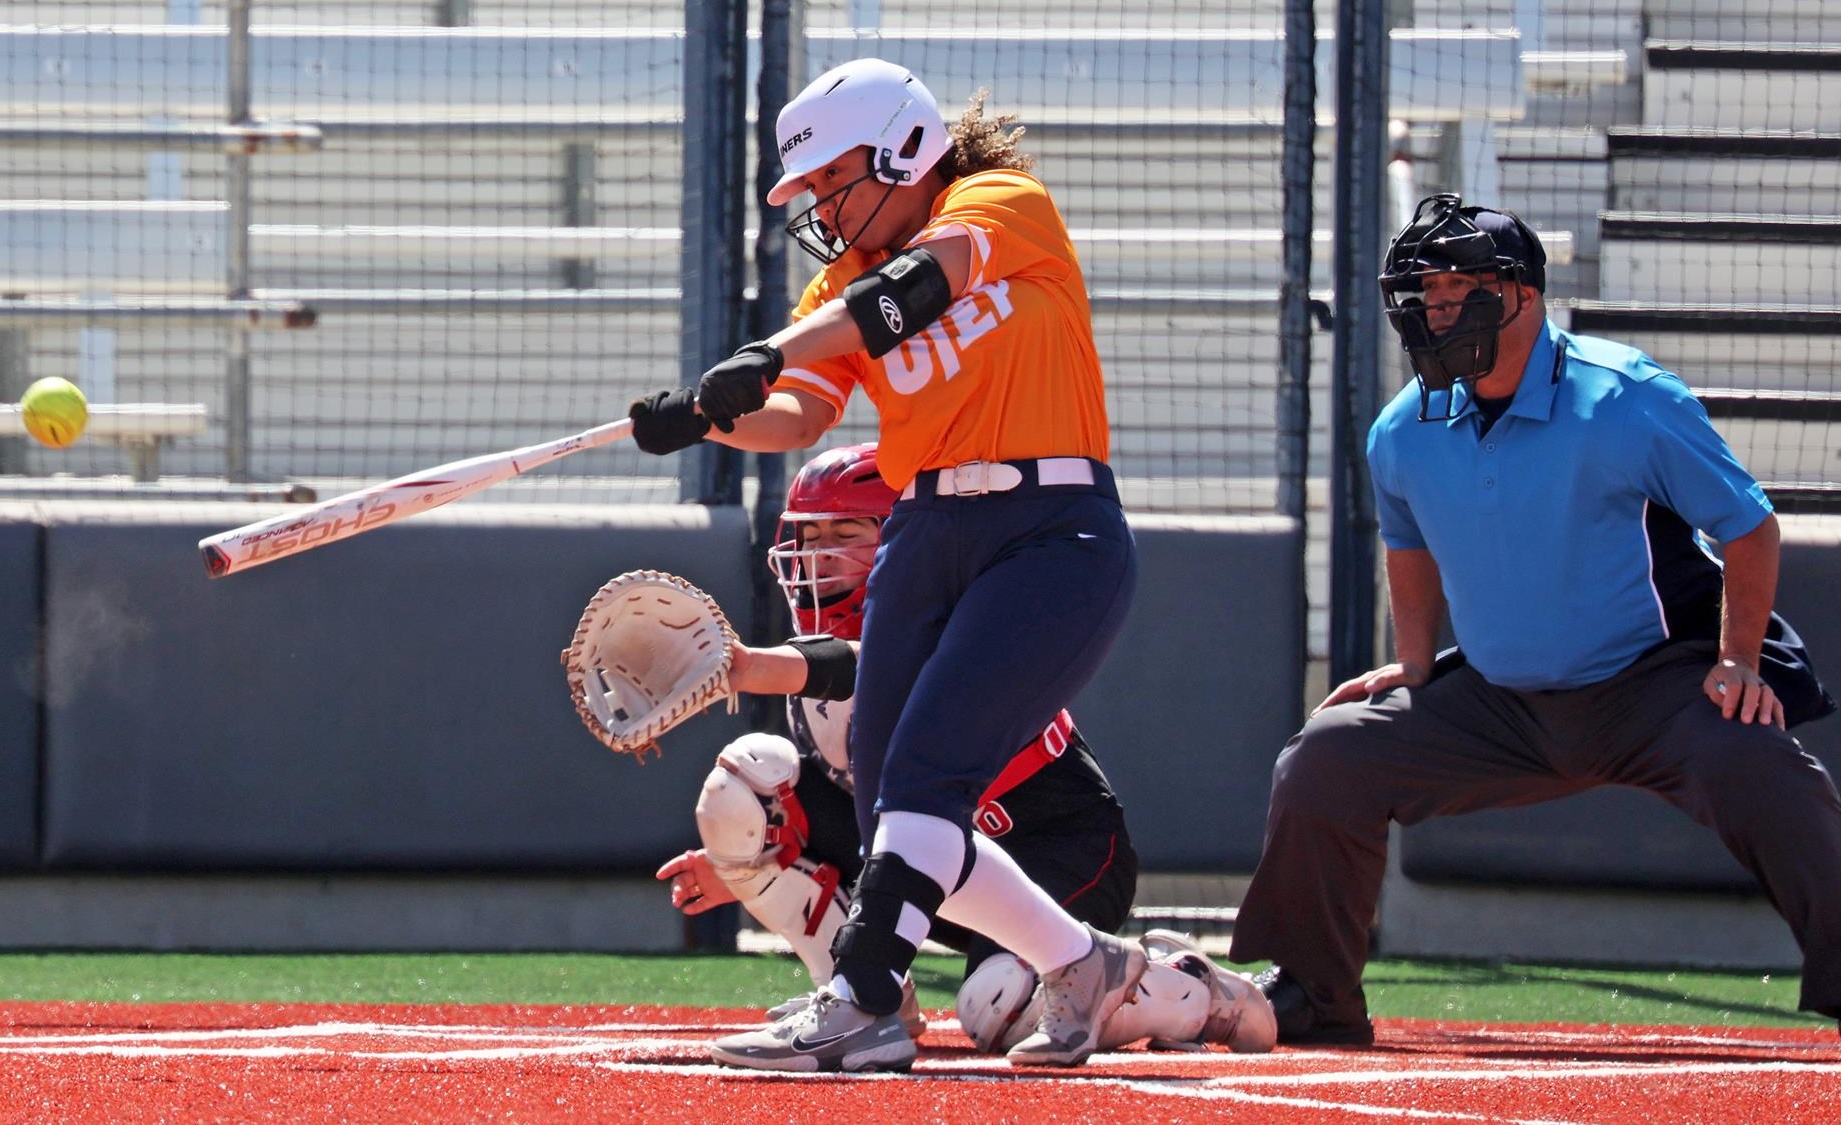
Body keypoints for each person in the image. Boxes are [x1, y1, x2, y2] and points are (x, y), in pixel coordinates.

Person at [627, 58, 1146, 1071]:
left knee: (923, 773)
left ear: (905, 150)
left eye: (833, 180)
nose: (822, 206)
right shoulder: (839, 288)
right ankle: (1079, 965)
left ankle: (862, 998)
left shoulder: (1001, 203)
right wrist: (705, 418)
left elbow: (919, 287)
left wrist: (769, 349)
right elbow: (803, 414)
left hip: (1049, 525)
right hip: (924, 530)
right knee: (887, 794)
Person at [1229, 192, 1841, 1045]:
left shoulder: (1629, 397)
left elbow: (1748, 525)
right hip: (1499, 703)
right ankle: (1314, 993)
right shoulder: (1400, 433)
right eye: (1424, 295)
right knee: (1326, 758)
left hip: (1655, 687)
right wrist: (1411, 669)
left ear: (1521, 295)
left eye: (1456, 291)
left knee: (1768, 773)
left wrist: (1739, 659)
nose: (1436, 312)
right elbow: (1408, 549)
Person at [651, 443, 1275, 1059]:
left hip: (1060, 851)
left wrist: (752, 667)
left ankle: (1189, 987)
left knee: (998, 1008)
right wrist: (747, 854)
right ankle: (861, 994)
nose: (820, 556)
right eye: (810, 536)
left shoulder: (963, 614)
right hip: (946, 867)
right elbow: (847, 797)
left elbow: (872, 668)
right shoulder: (809, 666)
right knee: (745, 785)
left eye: (845, 531)